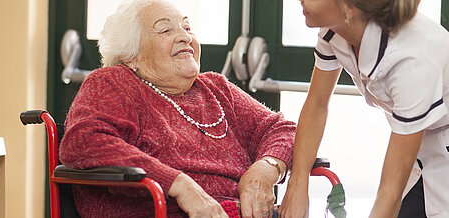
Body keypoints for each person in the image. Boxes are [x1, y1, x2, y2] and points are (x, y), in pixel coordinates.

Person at [59, 0, 295, 217]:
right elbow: (83, 141)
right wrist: (179, 185)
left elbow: (282, 130)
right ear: (130, 55)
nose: (184, 36)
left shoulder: (216, 88)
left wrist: (266, 168)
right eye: (165, 30)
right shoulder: (114, 83)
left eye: (187, 28)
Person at [279, 0, 449, 217]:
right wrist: (297, 183)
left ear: (348, 8)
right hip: (420, 153)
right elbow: (317, 103)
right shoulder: (335, 31)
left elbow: (389, 193)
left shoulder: (412, 61)